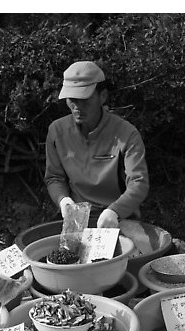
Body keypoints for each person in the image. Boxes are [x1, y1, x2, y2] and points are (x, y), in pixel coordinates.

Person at [44, 60, 149, 228]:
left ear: (103, 96)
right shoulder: (57, 131)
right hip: (77, 220)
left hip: (119, 219)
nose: (77, 106)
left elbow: (138, 182)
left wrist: (114, 211)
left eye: (84, 99)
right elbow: (54, 177)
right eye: (72, 99)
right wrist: (63, 200)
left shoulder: (126, 134)